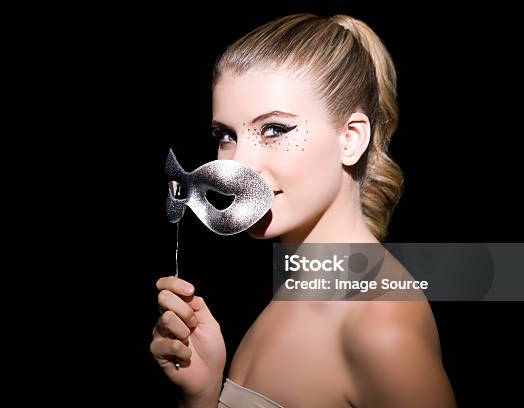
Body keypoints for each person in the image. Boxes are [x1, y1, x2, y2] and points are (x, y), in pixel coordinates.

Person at [150, 13, 456, 407]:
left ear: (350, 139)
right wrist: (204, 393)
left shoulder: (379, 328)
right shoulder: (304, 284)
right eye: (226, 135)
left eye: (274, 129)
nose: (237, 165)